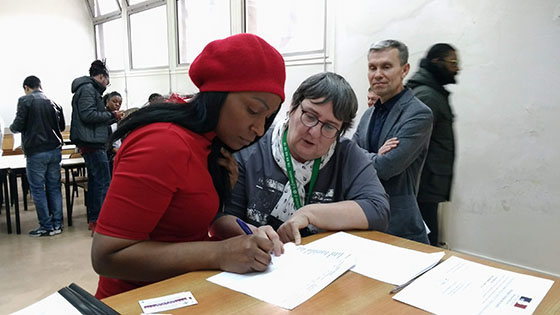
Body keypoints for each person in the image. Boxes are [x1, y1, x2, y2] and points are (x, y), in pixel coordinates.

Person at [91, 33, 286, 299]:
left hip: (184, 292)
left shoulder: (213, 146)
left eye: (268, 118)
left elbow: (196, 221)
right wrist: (220, 253)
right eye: (253, 110)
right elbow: (107, 256)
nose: (259, 129)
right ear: (217, 95)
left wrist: (249, 233)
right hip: (136, 301)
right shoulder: (165, 142)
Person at [211, 72, 390, 245]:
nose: (314, 132)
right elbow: (221, 219)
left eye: (329, 127)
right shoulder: (252, 146)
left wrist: (309, 213)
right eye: (310, 116)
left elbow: (378, 209)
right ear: (292, 107)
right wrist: (254, 234)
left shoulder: (346, 154)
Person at [353, 39, 433, 244]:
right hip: (362, 220)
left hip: (398, 228)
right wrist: (374, 156)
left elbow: (386, 167)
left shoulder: (418, 114)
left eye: (386, 66)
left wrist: (364, 156)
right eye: (372, 67)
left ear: (404, 70)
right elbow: (346, 158)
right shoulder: (367, 115)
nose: (377, 74)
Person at [407, 43, 460, 246]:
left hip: (428, 186)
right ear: (437, 62)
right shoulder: (428, 96)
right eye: (453, 62)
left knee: (427, 244)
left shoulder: (434, 94)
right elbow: (413, 147)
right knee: (425, 246)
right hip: (422, 188)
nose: (457, 68)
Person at [70, 60, 124, 232]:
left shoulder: (90, 89)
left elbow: (94, 116)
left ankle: (95, 219)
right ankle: (100, 222)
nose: (107, 85)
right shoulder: (87, 89)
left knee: (96, 183)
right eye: (107, 81)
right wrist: (111, 114)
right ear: (101, 77)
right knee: (103, 182)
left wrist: (112, 116)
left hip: (92, 141)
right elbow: (88, 115)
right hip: (91, 143)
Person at [10, 76, 65, 236]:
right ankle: (57, 225)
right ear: (40, 86)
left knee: (38, 189)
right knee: (54, 187)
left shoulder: (25, 101)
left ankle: (45, 226)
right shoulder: (54, 102)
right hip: (55, 150)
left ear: (27, 87)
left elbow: (17, 126)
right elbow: (61, 127)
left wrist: (14, 127)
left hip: (36, 151)